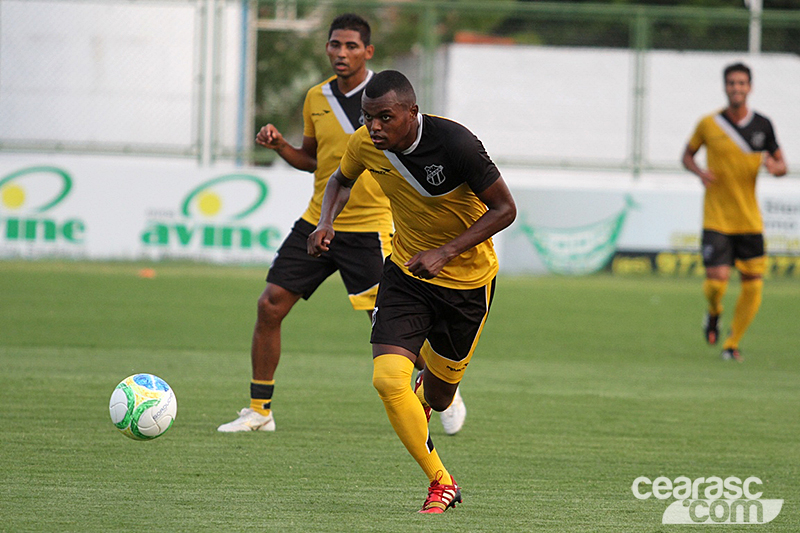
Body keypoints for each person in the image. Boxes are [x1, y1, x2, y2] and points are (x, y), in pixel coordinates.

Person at [218, 15, 467, 434]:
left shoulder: (385, 100)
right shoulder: (315, 97)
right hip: (318, 221)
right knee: (269, 304)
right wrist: (281, 146)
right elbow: (313, 161)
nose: (341, 52)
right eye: (335, 44)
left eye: (351, 46)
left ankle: (442, 386)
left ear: (368, 51)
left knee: (388, 323)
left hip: (370, 228)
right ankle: (260, 411)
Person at [308, 70, 516, 513]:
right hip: (406, 274)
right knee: (386, 379)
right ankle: (441, 481)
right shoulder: (364, 144)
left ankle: (425, 395)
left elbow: (505, 209)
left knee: (439, 398)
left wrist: (446, 252)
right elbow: (340, 180)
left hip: (467, 285)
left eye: (385, 117)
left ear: (411, 113)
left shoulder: (456, 144)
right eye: (367, 117)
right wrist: (326, 222)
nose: (374, 127)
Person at [682, 62, 787, 362]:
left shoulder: (762, 125)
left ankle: (732, 343)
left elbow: (782, 164)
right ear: (725, 87)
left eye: (741, 83)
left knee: (753, 286)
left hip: (749, 220)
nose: (736, 88)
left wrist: (774, 167)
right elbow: (687, 155)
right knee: (716, 283)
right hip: (716, 217)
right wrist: (699, 172)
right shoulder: (709, 124)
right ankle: (714, 312)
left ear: (749, 87)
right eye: (731, 83)